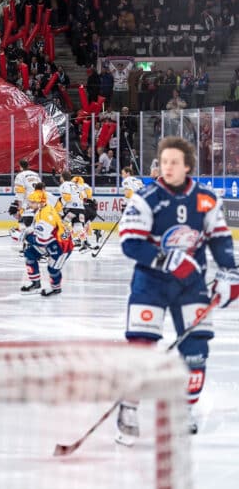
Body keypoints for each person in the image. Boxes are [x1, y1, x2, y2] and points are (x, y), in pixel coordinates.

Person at [116, 136, 239, 441]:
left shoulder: (206, 199)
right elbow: (131, 243)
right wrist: (166, 260)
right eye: (164, 161)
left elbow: (220, 239)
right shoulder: (145, 198)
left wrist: (230, 273)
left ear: (188, 166)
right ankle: (129, 407)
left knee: (196, 349)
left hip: (190, 284)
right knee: (141, 347)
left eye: (175, 162)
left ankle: (184, 408)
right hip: (150, 282)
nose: (167, 166)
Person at [21, 185, 73, 295]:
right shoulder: (42, 209)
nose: (30, 204)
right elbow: (37, 228)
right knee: (29, 253)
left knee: (52, 269)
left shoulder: (46, 215)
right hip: (52, 240)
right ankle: (36, 284)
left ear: (40, 203)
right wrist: (27, 231)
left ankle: (56, 288)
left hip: (62, 246)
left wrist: (26, 237)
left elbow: (41, 240)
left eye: (33, 202)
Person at [9, 159, 43, 249]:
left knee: (26, 226)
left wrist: (18, 207)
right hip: (39, 204)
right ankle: (31, 246)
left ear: (20, 167)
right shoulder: (36, 175)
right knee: (34, 226)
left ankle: (31, 247)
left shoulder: (20, 176)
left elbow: (20, 193)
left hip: (28, 203)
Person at [57, 171, 90, 250]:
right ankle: (84, 241)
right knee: (78, 226)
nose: (60, 178)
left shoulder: (64, 185)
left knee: (63, 224)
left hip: (71, 208)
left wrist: (61, 204)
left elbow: (67, 197)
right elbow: (83, 195)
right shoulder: (75, 185)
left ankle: (64, 241)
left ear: (62, 177)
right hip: (80, 209)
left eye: (61, 176)